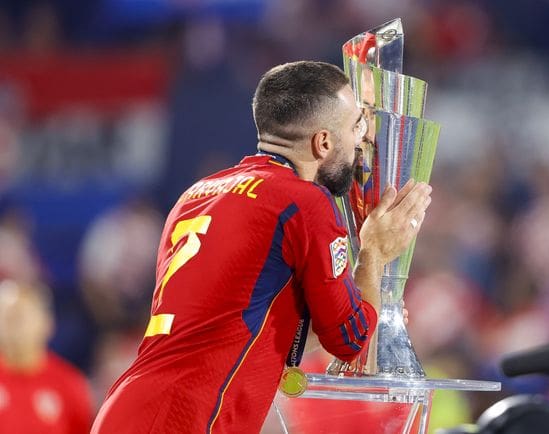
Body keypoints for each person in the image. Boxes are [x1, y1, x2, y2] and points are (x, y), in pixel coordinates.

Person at [91, 60, 432, 433]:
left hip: (127, 408)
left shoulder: (196, 194)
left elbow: (247, 329)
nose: (360, 141)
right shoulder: (304, 202)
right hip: (190, 418)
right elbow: (349, 341)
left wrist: (360, 304)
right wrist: (375, 255)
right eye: (355, 127)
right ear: (323, 142)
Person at [0, 279, 93, 434]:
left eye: (21, 317)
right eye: (7, 317)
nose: (14, 325)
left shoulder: (69, 384)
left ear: (47, 324)